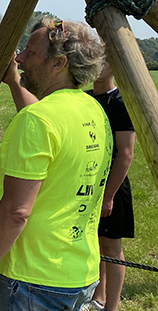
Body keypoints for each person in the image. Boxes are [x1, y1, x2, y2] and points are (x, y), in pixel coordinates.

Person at [0, 18, 111, 311]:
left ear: (59, 63)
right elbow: (46, 124)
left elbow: (16, 213)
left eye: (30, 52)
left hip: (33, 278)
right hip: (79, 272)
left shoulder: (38, 121)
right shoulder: (94, 110)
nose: (19, 58)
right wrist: (15, 82)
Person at [88, 58, 135, 311]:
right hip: (87, 181)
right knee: (92, 241)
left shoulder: (120, 103)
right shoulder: (85, 99)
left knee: (111, 246)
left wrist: (108, 195)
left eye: (105, 61)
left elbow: (126, 154)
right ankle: (98, 296)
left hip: (112, 186)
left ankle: (111, 307)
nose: (98, 65)